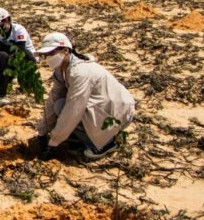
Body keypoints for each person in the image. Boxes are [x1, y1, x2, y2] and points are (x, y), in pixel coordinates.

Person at [35, 32, 135, 161]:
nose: (48, 58)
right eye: (45, 55)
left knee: (65, 109)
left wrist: (53, 142)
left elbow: (74, 110)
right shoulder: (62, 70)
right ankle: (89, 135)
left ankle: (106, 144)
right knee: (58, 104)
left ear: (65, 50)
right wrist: (43, 131)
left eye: (51, 53)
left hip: (118, 112)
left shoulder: (79, 73)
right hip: (103, 108)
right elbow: (54, 97)